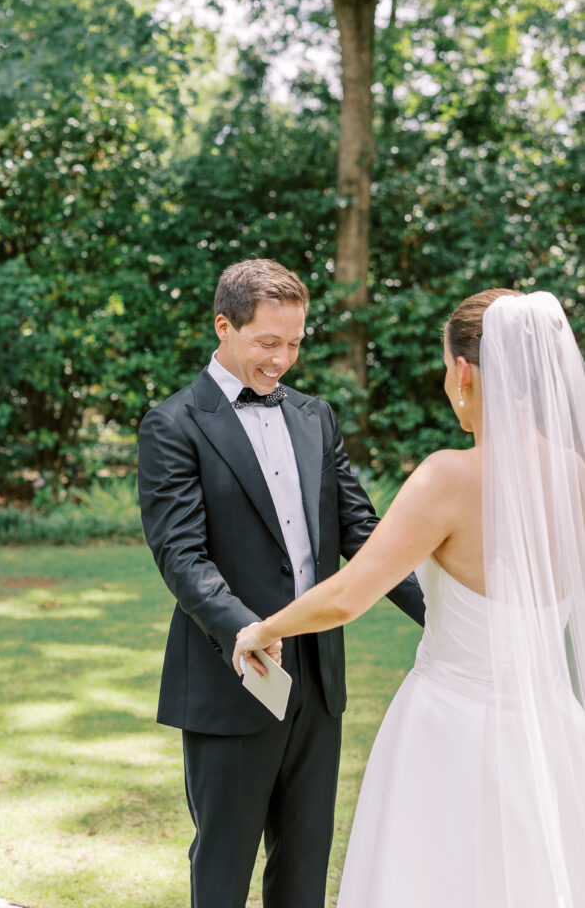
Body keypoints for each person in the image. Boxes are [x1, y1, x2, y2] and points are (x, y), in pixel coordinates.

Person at [234, 287, 585, 907]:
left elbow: (346, 596)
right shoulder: (577, 478)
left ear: (463, 371)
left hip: (449, 727)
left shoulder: (448, 477)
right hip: (553, 727)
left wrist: (262, 629)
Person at [137, 258, 425, 908]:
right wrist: (246, 631)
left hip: (318, 683)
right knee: (223, 869)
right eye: (269, 342)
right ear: (223, 326)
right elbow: (180, 556)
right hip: (232, 677)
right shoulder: (173, 423)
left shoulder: (314, 416)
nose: (283, 359)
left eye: (295, 343)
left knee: (302, 870)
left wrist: (443, 615)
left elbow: (365, 534)